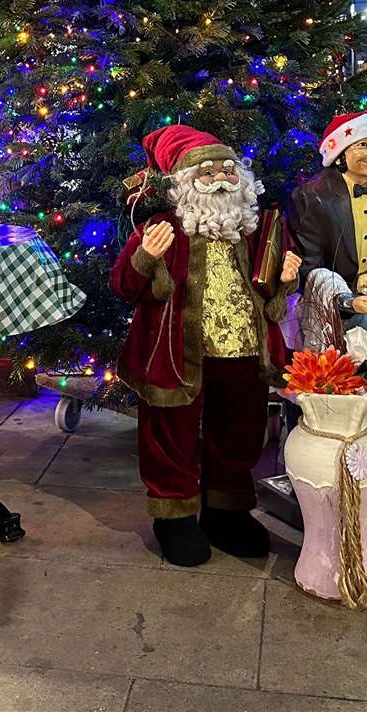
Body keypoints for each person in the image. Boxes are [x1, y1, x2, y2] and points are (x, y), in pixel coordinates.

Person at [110, 125, 300, 567]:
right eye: (206, 170)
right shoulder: (161, 228)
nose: (219, 178)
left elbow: (271, 299)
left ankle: (226, 511)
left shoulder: (258, 230)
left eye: (227, 170)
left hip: (245, 352)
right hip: (176, 355)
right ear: (183, 181)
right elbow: (124, 285)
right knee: (169, 435)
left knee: (239, 432)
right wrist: (145, 259)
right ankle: (173, 515)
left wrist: (285, 282)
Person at [288, 111, 367, 292]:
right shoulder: (311, 197)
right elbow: (308, 266)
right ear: (339, 154)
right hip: (324, 305)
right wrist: (345, 301)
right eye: (363, 144)